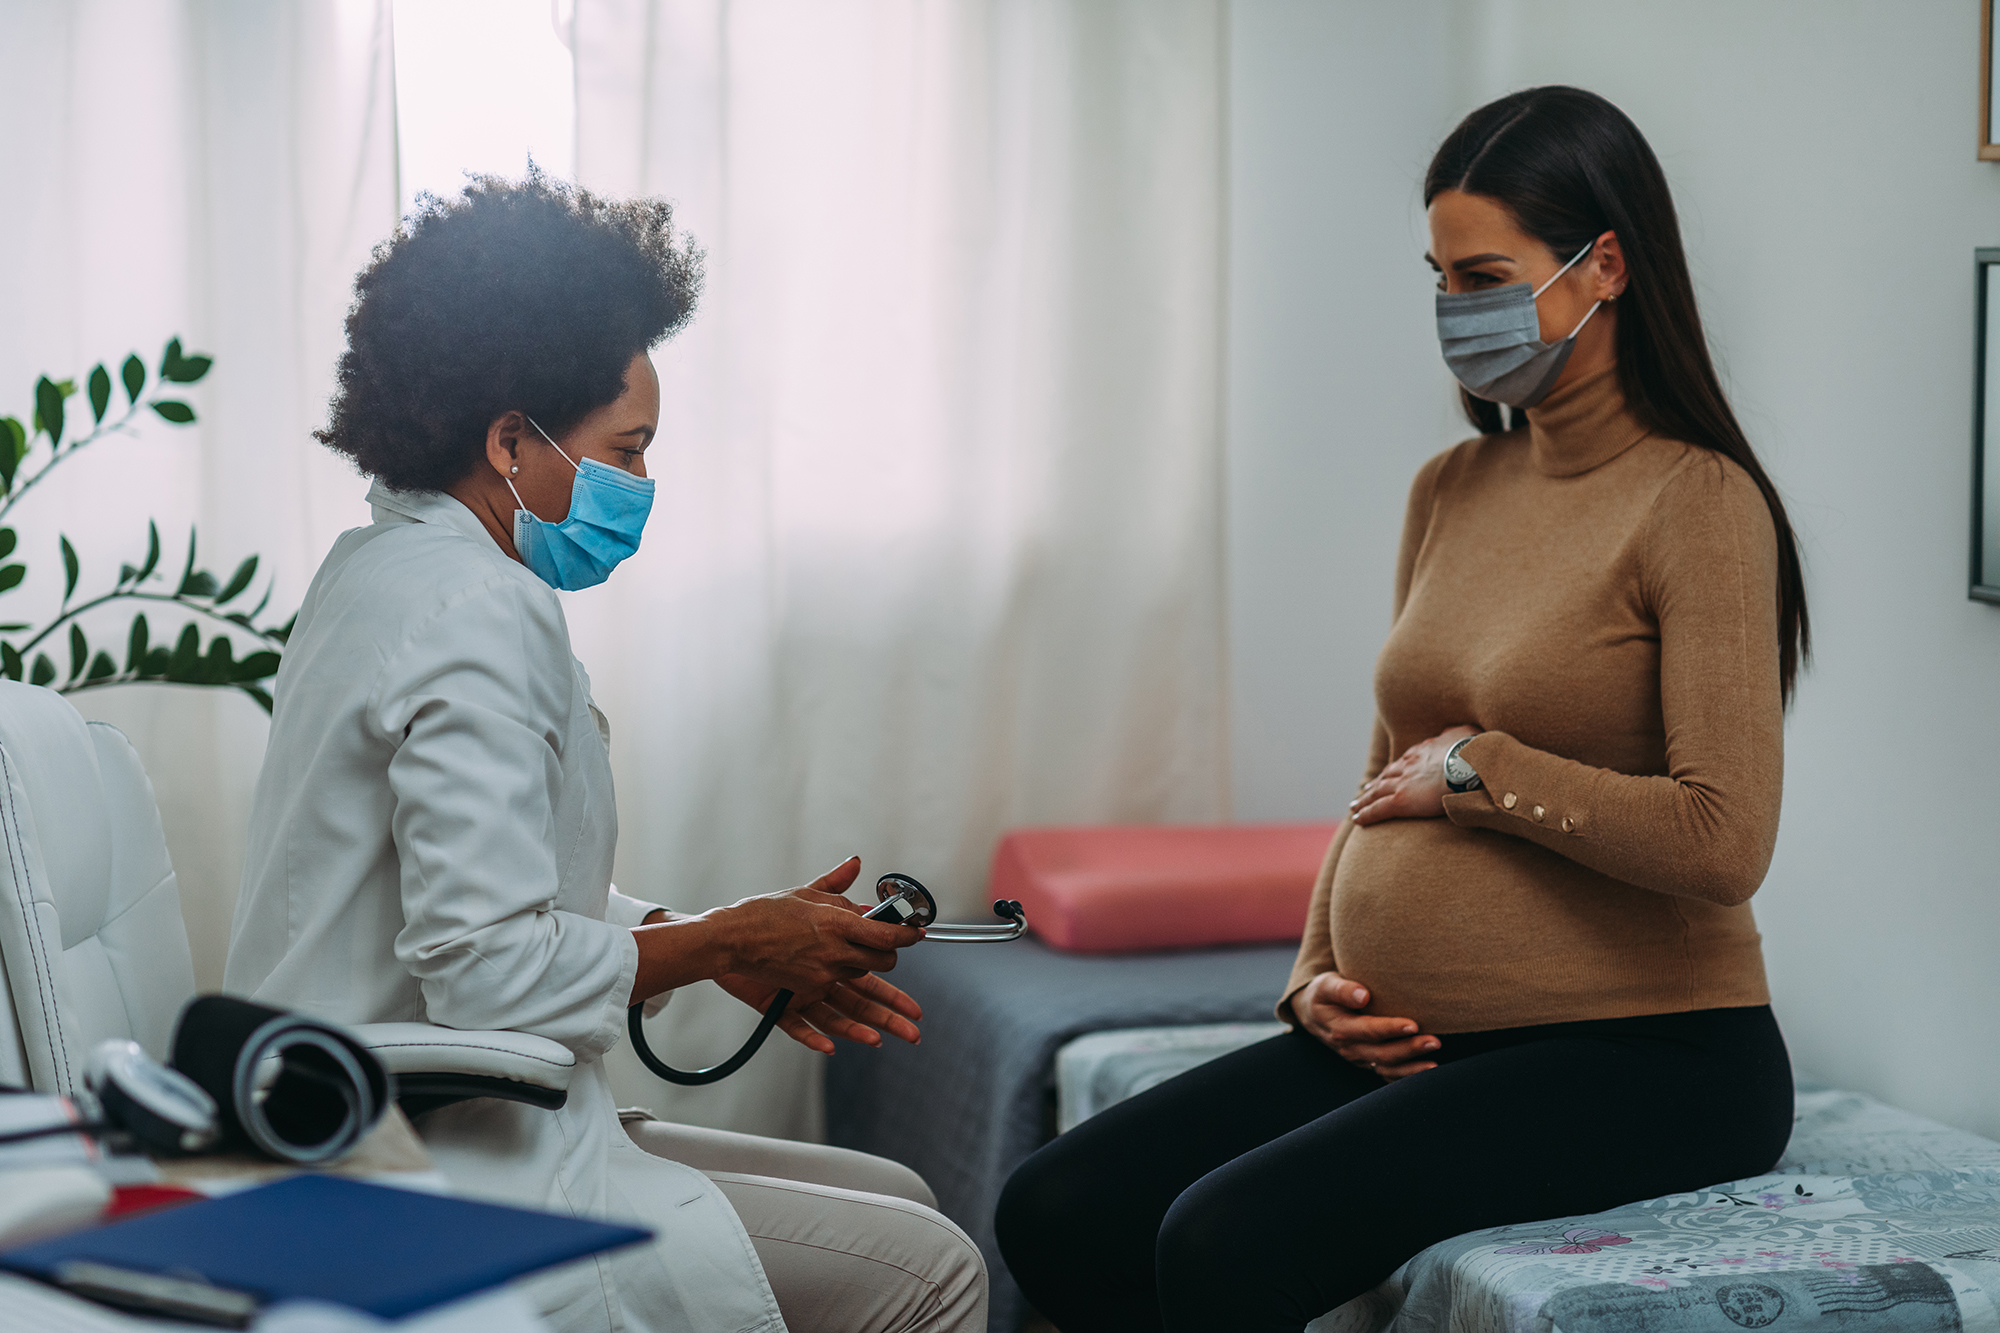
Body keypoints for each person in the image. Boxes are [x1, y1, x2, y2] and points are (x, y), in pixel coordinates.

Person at [995, 86, 1809, 1333]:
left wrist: (1483, 769)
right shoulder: (1452, 486)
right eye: (1438, 275)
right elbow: (1382, 777)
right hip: (1425, 1037)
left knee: (1224, 1240)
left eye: (1484, 273)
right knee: (1058, 1205)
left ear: (1605, 267)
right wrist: (1313, 975)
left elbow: (1720, 837)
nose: (1454, 311)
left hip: (1652, 1054)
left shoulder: (1696, 503)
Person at [224, 170, 987, 1333]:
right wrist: (729, 937)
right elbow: (479, 963)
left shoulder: (386, 570)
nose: (640, 485)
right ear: (509, 441)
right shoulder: (476, 608)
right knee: (933, 1270)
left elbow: (490, 889)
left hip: (394, 1108)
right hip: (422, 1148)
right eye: (626, 451)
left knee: (896, 1195)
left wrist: (713, 942)